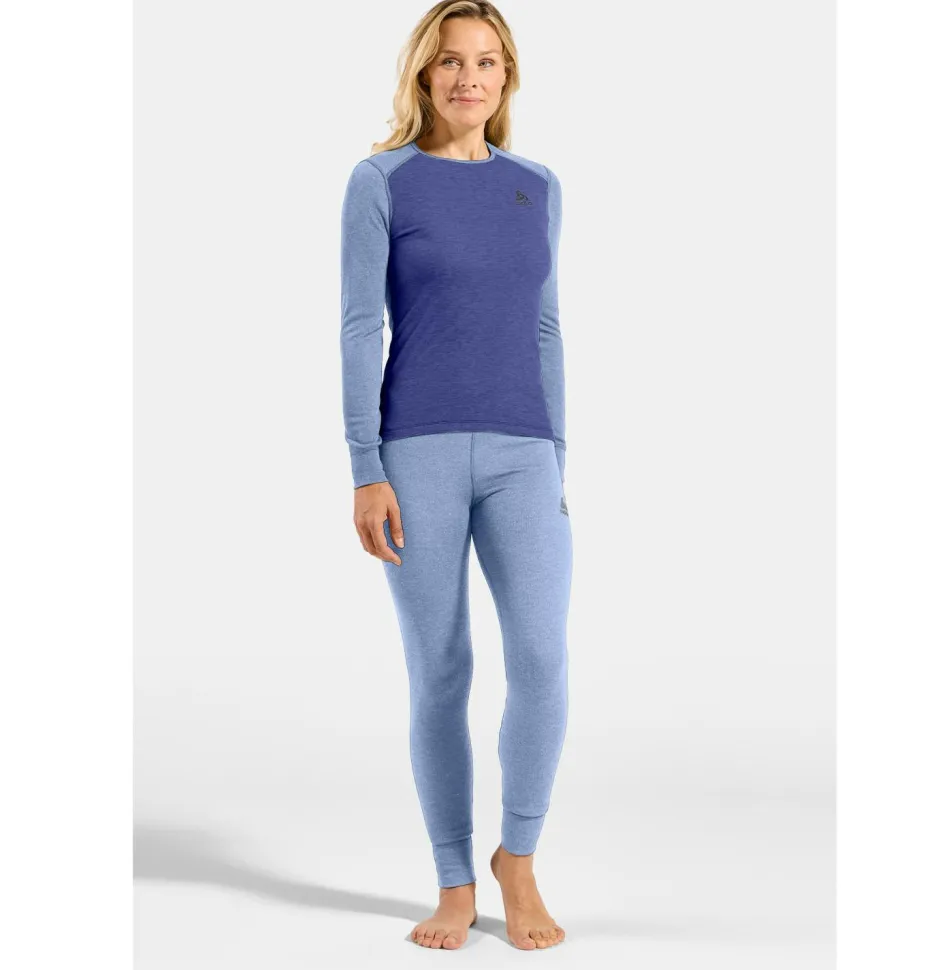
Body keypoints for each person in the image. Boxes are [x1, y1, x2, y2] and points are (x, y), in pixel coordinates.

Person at [340, 0, 570, 951]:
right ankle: (452, 880)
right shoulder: (380, 181)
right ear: (423, 75)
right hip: (416, 454)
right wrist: (366, 468)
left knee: (543, 661)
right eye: (450, 61)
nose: (468, 77)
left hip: (524, 454)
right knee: (440, 670)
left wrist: (558, 459)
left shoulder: (538, 186)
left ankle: (519, 858)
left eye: (485, 61)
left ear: (506, 76)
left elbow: (546, 327)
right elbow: (361, 327)